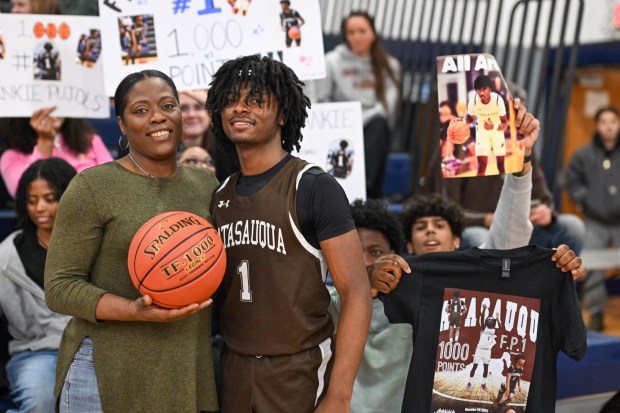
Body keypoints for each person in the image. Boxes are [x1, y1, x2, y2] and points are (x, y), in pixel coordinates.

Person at [44, 70, 219, 412]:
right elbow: (59, 288)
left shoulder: (206, 185)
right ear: (122, 125)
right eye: (141, 110)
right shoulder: (92, 186)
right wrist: (133, 310)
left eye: (168, 105)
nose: (157, 116)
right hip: (103, 374)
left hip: (182, 369)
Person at [206, 55, 372, 412]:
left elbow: (356, 292)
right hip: (235, 365)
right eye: (231, 100)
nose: (239, 108)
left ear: (282, 114)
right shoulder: (220, 196)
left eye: (254, 100)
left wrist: (340, 395)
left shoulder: (312, 185)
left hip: (299, 367)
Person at [0, 158, 75, 413]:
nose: (40, 208)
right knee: (41, 402)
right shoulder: (7, 255)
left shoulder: (92, 244)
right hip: (35, 353)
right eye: (32, 200)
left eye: (50, 198)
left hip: (90, 350)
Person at [314, 11, 401, 199]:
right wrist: (347, 123)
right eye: (351, 32)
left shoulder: (389, 65)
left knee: (380, 125)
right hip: (337, 127)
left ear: (373, 33)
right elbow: (323, 99)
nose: (357, 36)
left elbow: (387, 108)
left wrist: (358, 122)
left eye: (362, 30)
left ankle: (365, 193)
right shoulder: (331, 61)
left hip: (372, 127)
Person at [565, 105, 620, 331]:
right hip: (596, 221)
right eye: (603, 122)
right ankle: (596, 312)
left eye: (613, 121)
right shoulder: (583, 154)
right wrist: (584, 200)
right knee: (591, 264)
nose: (608, 126)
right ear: (597, 126)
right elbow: (573, 181)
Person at [0, 107, 113, 199]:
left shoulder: (91, 141)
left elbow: (114, 183)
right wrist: (45, 140)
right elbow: (23, 195)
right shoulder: (11, 156)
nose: (51, 107)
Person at [178, 89, 239, 181]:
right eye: (183, 108)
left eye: (198, 107)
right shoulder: (160, 150)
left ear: (210, 115)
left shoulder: (229, 149)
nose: (191, 114)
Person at [464, 74, 508, 176]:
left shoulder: (498, 100)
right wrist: (461, 124)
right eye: (479, 90)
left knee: (501, 165)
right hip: (482, 133)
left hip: (497, 132)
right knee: (481, 166)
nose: (481, 92)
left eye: (484, 89)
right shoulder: (473, 102)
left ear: (490, 89)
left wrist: (494, 126)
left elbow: (505, 124)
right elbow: (470, 118)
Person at [466, 308, 502, 391]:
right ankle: (469, 383)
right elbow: (482, 318)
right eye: (488, 319)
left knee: (486, 368)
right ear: (486, 321)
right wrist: (484, 309)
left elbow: (500, 328)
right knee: (474, 367)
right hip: (479, 350)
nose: (490, 320)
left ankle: (483, 384)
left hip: (487, 351)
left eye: (491, 320)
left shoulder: (494, 330)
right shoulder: (483, 327)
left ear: (493, 322)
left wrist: (498, 318)